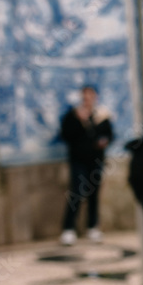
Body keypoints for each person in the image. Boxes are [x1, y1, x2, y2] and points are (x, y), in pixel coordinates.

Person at [59, 84, 113, 246]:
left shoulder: (102, 115)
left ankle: (92, 227)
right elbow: (66, 134)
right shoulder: (73, 115)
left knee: (94, 193)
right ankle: (68, 228)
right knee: (76, 191)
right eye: (85, 96)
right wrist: (79, 121)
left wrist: (103, 141)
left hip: (96, 160)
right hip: (78, 160)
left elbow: (109, 134)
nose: (88, 99)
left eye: (91, 96)